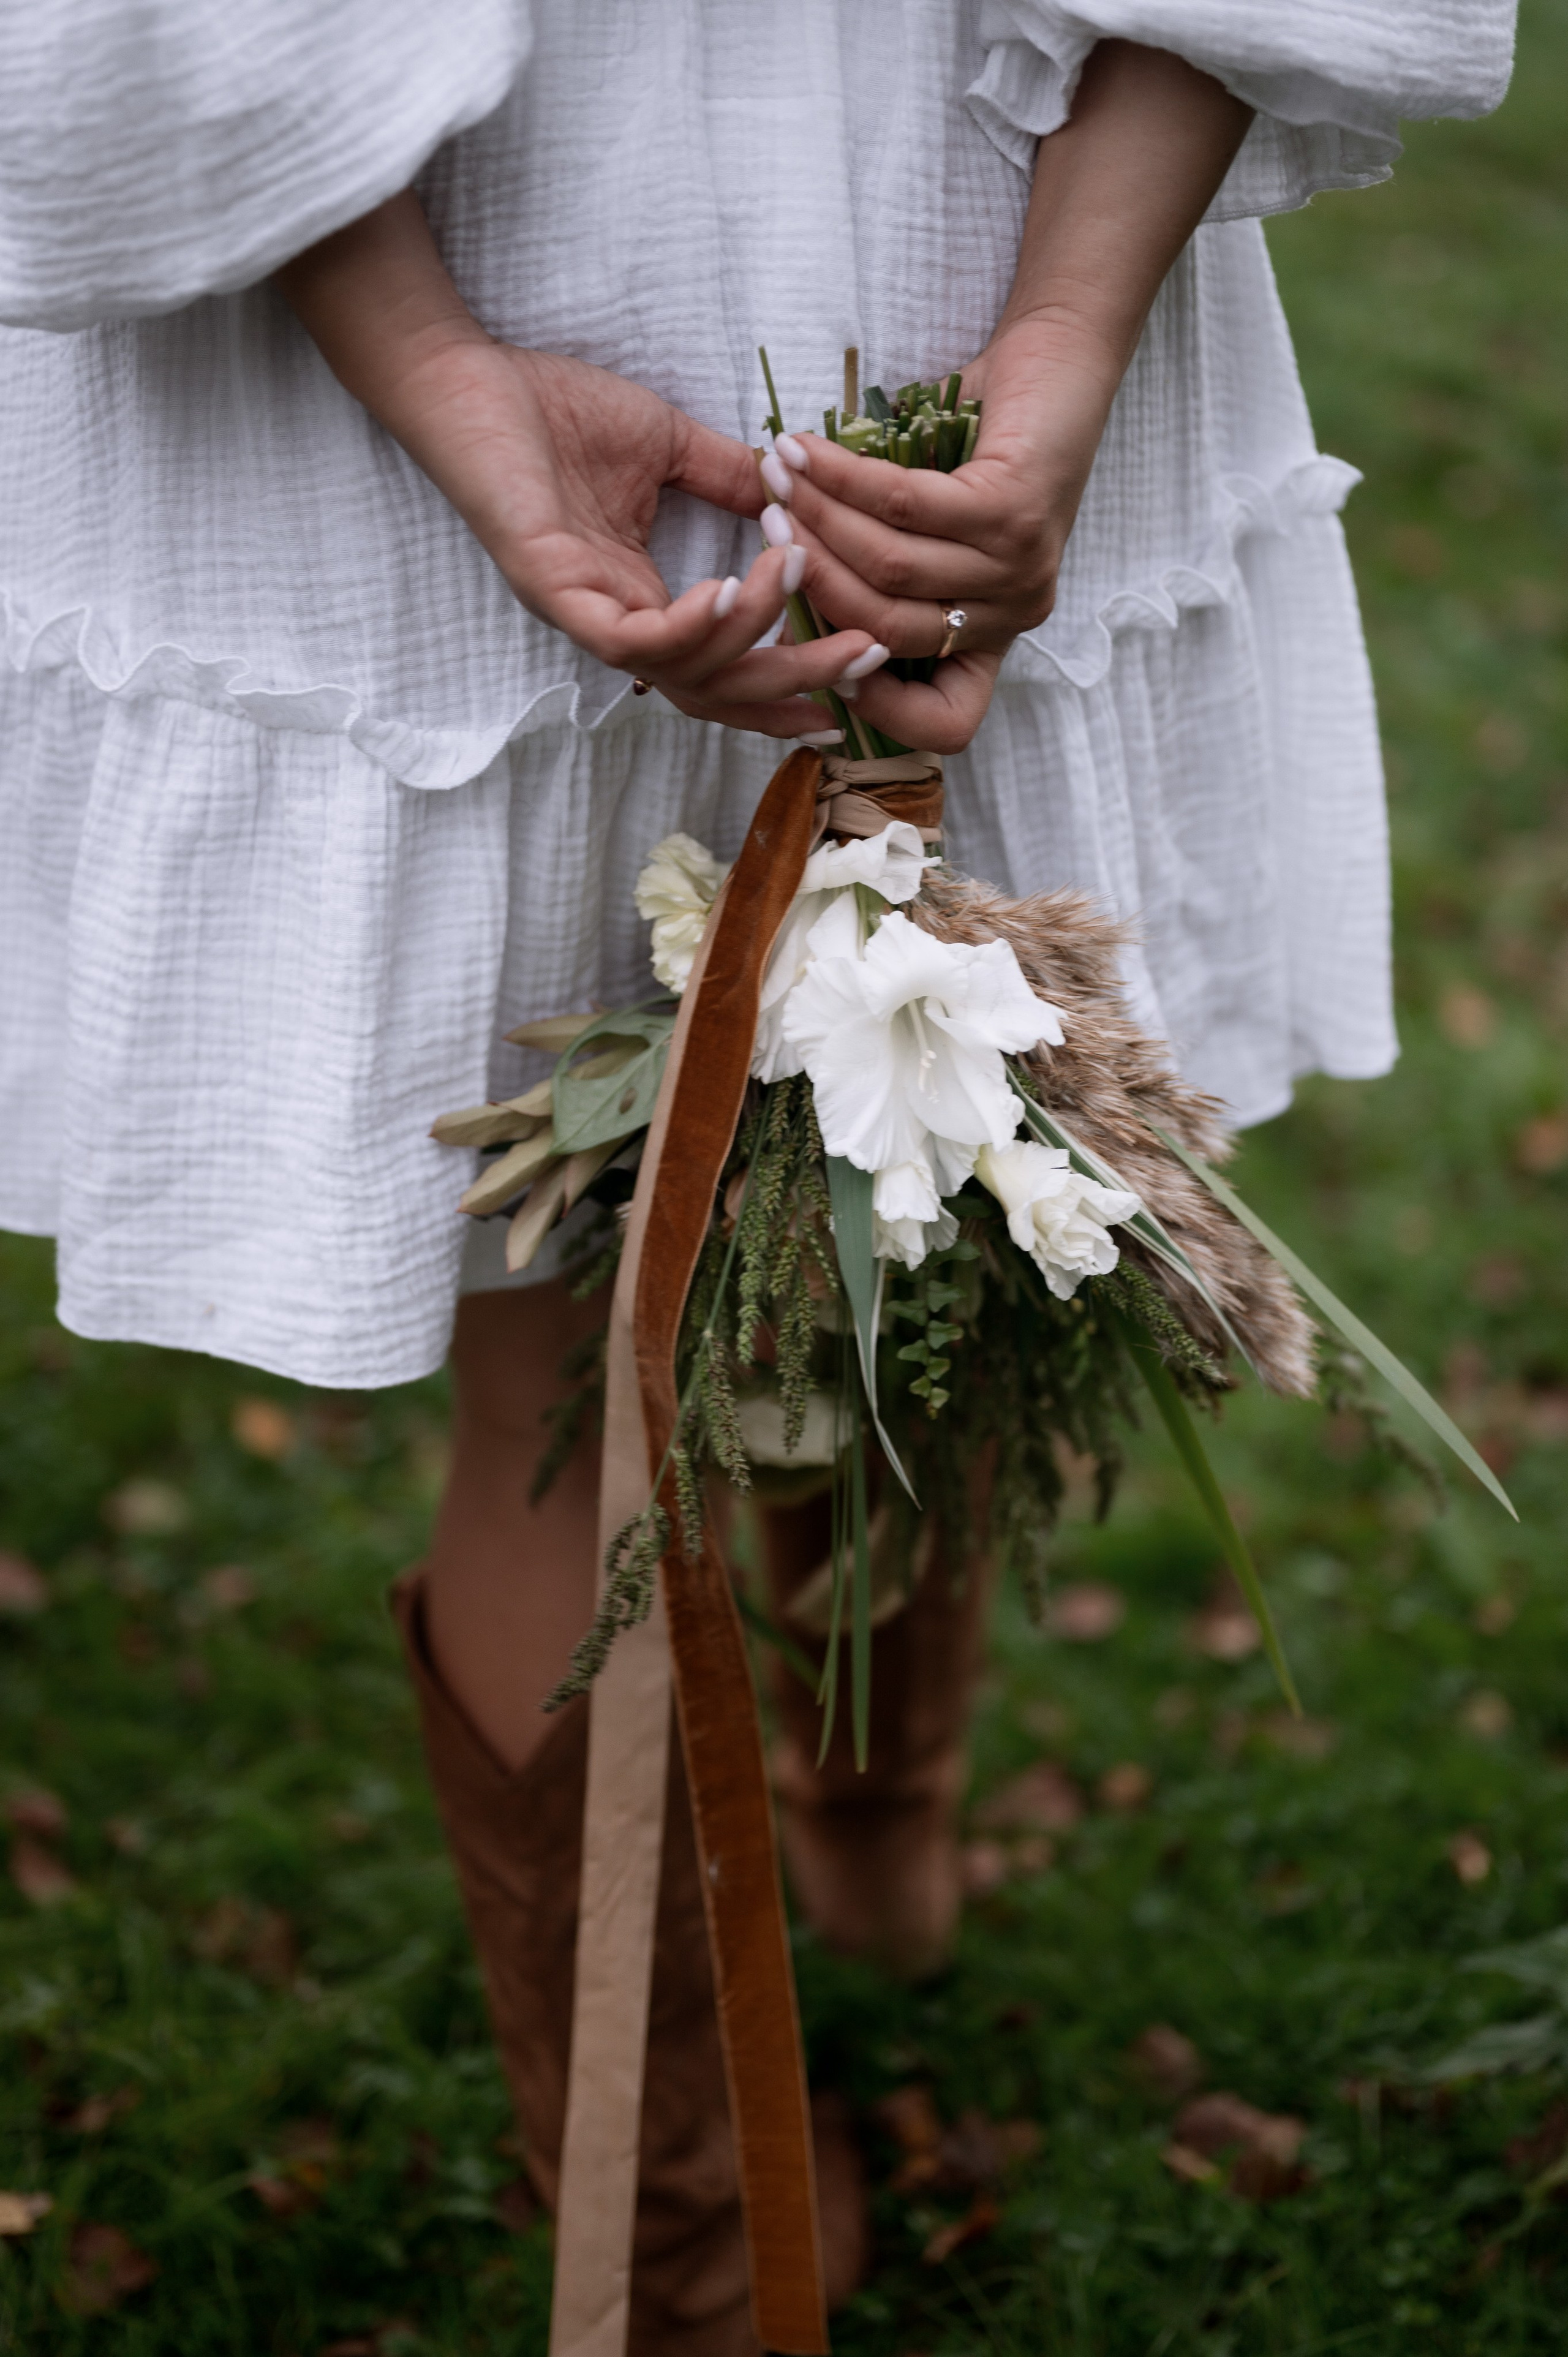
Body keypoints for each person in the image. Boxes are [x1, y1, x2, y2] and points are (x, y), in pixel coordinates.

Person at [0, 3, 1516, 2349]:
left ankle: (749, 2118)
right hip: (924, 230)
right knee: (911, 1148)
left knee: (837, 1196)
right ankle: (752, 2104)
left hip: (521, 264)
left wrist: (446, 371)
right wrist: (1052, 337)